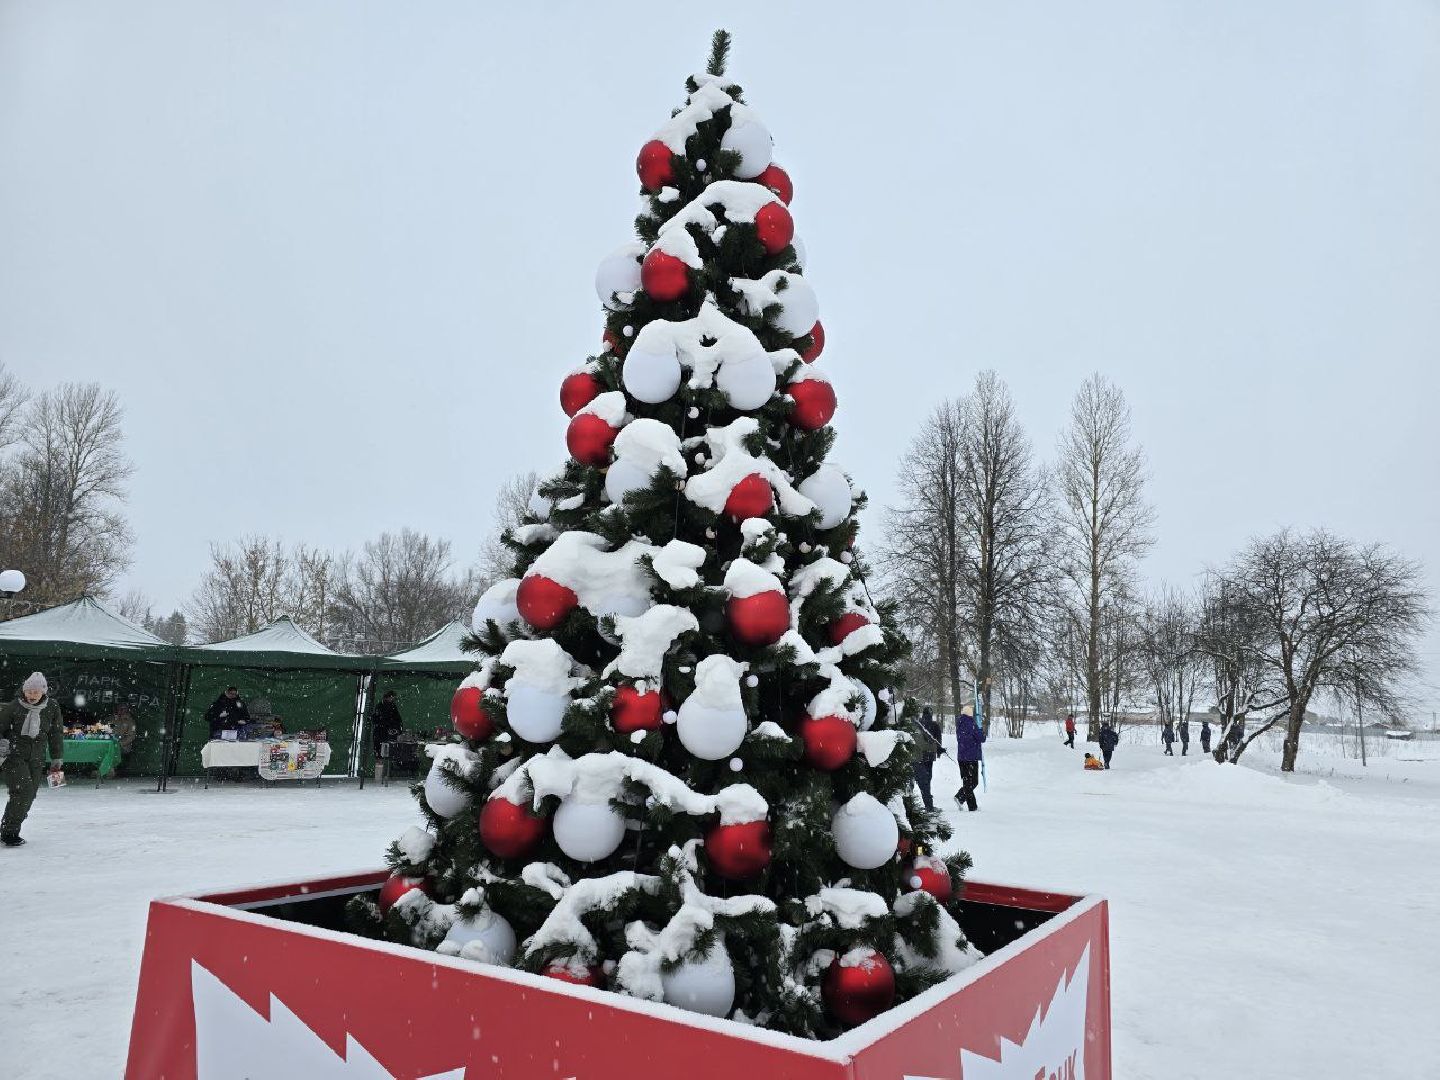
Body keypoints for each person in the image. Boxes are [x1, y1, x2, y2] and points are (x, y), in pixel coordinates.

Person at [1, 673, 65, 847]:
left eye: (35, 691)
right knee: (23, 791)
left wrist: (57, 757)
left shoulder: (51, 706)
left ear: (43, 692)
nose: (31, 695)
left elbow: (56, 733)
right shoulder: (14, 706)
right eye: (28, 691)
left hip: (37, 758)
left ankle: (9, 827)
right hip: (14, 756)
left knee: (30, 795)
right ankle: (9, 832)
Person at [954, 704, 986, 812]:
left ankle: (963, 799)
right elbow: (981, 738)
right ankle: (968, 803)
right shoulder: (972, 724)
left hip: (962, 757)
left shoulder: (959, 723)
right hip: (971, 757)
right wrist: (981, 730)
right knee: (973, 782)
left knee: (967, 781)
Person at [911, 706, 942, 811]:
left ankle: (910, 802)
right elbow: (938, 740)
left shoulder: (918, 724)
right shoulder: (934, 725)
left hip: (917, 756)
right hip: (929, 756)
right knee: (927, 780)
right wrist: (938, 751)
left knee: (916, 779)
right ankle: (928, 805)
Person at [372, 691, 406, 781]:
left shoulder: (393, 706)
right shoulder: (379, 707)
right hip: (379, 734)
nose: (392, 699)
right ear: (386, 697)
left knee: (389, 755)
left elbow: (398, 720)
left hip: (389, 735)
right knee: (379, 755)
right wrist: (389, 725)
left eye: (393, 698)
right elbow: (377, 719)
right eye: (391, 698)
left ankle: (386, 775)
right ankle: (378, 778)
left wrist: (397, 730)